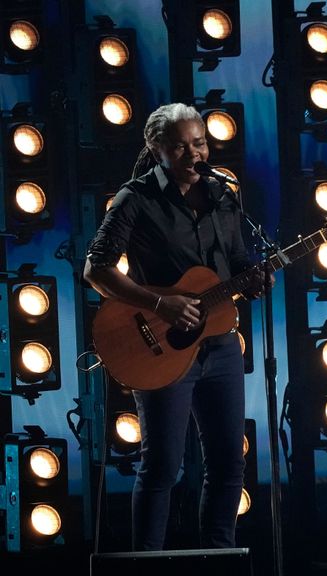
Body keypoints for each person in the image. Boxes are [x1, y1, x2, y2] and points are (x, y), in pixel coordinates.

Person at [84, 103, 270, 550]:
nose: (194, 154)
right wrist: (159, 304)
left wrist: (257, 277)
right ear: (157, 149)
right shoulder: (137, 197)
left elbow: (238, 263)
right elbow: (97, 269)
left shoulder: (224, 196)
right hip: (159, 346)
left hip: (221, 345)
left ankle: (219, 557)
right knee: (163, 466)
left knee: (229, 464)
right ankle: (147, 563)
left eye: (200, 143)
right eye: (180, 146)